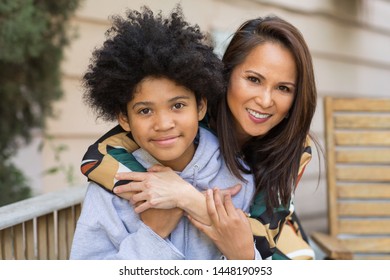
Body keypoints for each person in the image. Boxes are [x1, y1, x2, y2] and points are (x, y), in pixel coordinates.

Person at [80, 14, 318, 260]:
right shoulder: (194, 113)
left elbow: (260, 243)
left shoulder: (295, 147)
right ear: (227, 75)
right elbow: (97, 157)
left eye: (283, 88)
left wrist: (186, 196)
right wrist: (150, 195)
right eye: (253, 79)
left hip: (278, 236)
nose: (266, 100)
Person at [70, 6, 258, 260]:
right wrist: (152, 233)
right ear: (124, 118)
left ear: (200, 106)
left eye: (178, 106)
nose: (163, 123)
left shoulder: (237, 176)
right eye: (145, 111)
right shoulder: (110, 187)